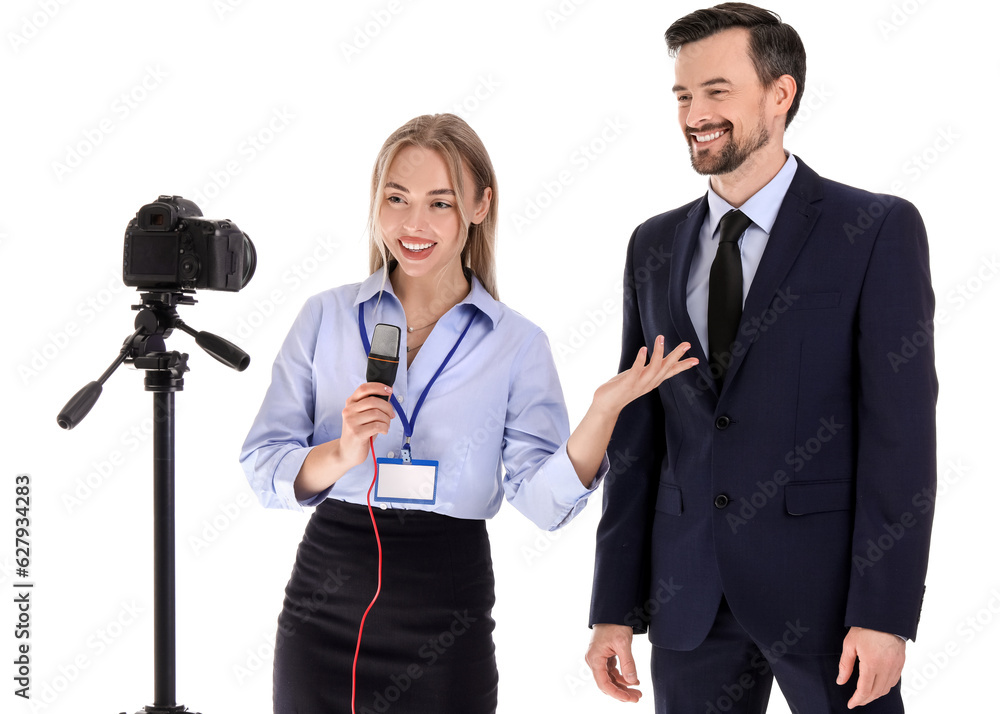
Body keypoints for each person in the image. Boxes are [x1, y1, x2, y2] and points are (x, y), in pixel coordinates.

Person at [240, 113, 697, 714]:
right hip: (327, 592)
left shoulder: (516, 343)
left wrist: (601, 412)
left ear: (480, 206)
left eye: (440, 203)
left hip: (445, 597)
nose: (413, 225)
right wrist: (341, 452)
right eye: (396, 198)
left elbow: (541, 501)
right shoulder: (325, 317)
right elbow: (262, 465)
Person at [586, 4, 936, 713]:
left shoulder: (872, 229)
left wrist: (887, 611)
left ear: (781, 94)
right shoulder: (651, 246)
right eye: (683, 95)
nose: (695, 113)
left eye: (717, 91)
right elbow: (638, 438)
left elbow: (901, 439)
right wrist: (612, 606)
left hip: (831, 602)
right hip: (688, 599)